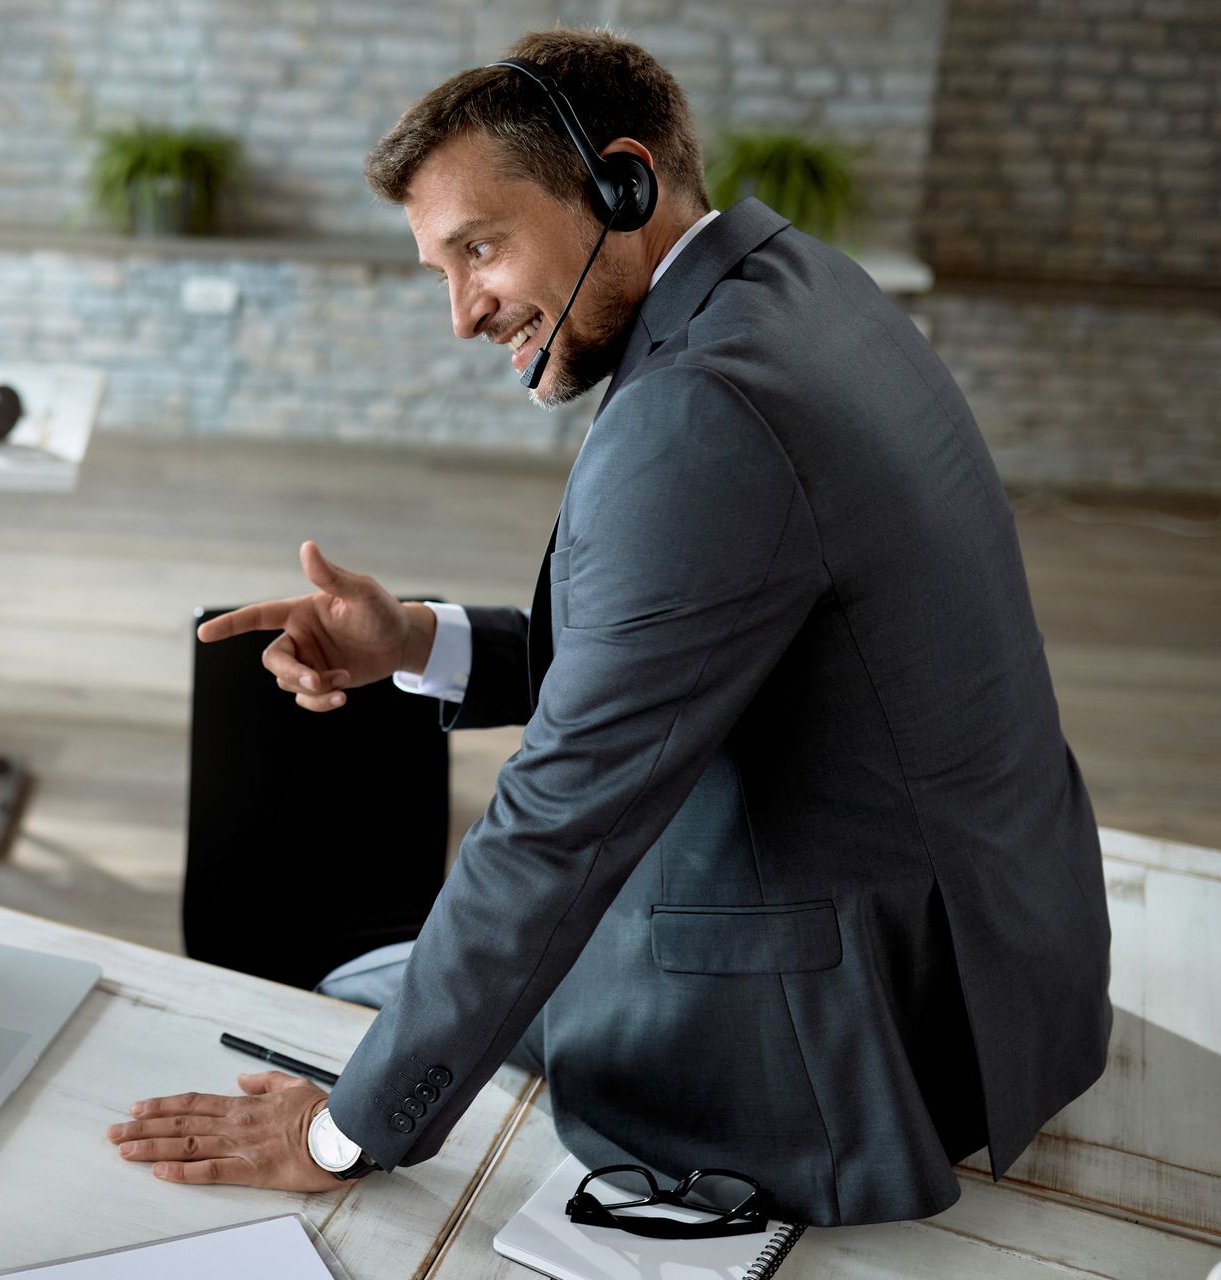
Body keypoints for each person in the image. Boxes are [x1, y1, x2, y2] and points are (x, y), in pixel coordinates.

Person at [104, 28, 1112, 1225]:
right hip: (992, 959)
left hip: (850, 1042)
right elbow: (688, 648)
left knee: (344, 999)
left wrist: (340, 1133)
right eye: (440, 267)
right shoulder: (806, 290)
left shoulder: (701, 409)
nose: (464, 314)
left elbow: (559, 824)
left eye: (481, 248)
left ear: (620, 183)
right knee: (378, 975)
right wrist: (415, 639)